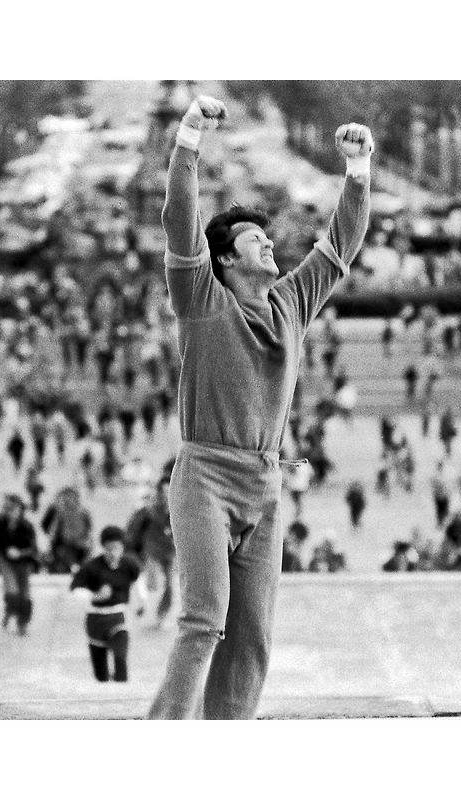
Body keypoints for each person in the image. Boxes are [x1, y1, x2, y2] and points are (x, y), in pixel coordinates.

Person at [147, 96, 371, 720]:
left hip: (266, 484)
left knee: (252, 638)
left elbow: (340, 246)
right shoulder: (201, 298)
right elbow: (178, 220)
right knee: (203, 621)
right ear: (223, 259)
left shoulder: (292, 302)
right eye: (255, 240)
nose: (270, 246)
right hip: (206, 479)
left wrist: (357, 173)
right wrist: (188, 141)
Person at [70, 526, 142, 683]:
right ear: (103, 548)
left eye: (116, 548)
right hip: (95, 619)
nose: (113, 553)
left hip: (118, 616)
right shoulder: (91, 567)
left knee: (120, 658)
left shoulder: (129, 565)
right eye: (109, 549)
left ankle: (122, 690)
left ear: (122, 547)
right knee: (100, 673)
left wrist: (142, 602)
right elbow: (74, 589)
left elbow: (137, 582)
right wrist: (94, 596)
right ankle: (104, 688)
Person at [126, 476, 177, 626]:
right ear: (159, 492)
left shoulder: (179, 508)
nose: (167, 495)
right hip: (152, 550)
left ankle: (161, 615)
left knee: (169, 586)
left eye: (170, 490)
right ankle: (143, 606)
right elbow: (134, 528)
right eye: (164, 491)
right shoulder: (149, 510)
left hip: (169, 552)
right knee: (153, 584)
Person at [0, 494, 38, 635]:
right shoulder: (0, 524)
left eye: (14, 509)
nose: (12, 512)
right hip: (6, 562)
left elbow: (33, 549)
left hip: (23, 563)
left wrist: (20, 553)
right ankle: (10, 611)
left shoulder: (27, 526)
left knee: (24, 595)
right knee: (12, 592)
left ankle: (22, 623)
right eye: (9, 509)